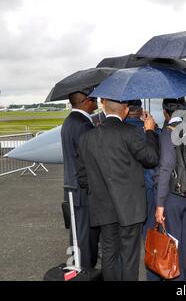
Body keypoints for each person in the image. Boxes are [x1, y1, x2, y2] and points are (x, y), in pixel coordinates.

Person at [77, 99, 159, 281]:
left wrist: (99, 190)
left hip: (103, 207)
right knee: (129, 256)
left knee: (109, 254)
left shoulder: (86, 137)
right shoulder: (131, 133)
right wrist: (150, 132)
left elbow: (82, 177)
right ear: (126, 109)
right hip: (130, 207)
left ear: (104, 108)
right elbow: (151, 158)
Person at [153, 98, 186, 281]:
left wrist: (159, 204)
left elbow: (165, 167)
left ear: (165, 112)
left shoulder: (169, 132)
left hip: (173, 196)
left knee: (172, 242)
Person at [61, 89, 100, 268]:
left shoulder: (70, 121)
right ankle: (84, 272)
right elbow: (90, 157)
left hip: (72, 186)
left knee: (77, 235)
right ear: (85, 101)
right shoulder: (83, 124)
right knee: (84, 238)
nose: (97, 101)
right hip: (83, 188)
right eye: (93, 98)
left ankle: (77, 269)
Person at [124, 100, 161, 281]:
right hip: (149, 190)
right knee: (151, 236)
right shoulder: (150, 130)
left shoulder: (119, 131)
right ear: (140, 111)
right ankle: (153, 276)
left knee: (126, 241)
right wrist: (151, 128)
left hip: (126, 194)